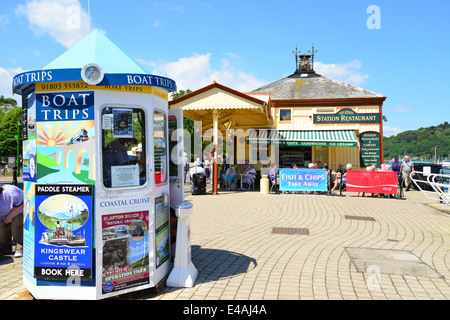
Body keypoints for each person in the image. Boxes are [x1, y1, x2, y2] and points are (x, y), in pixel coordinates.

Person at [0, 184, 23, 258]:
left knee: (16, 225)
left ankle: (20, 247)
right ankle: (5, 249)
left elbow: (19, 204)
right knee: (2, 229)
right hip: (3, 213)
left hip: (19, 210)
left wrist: (10, 216)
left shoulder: (9, 193)